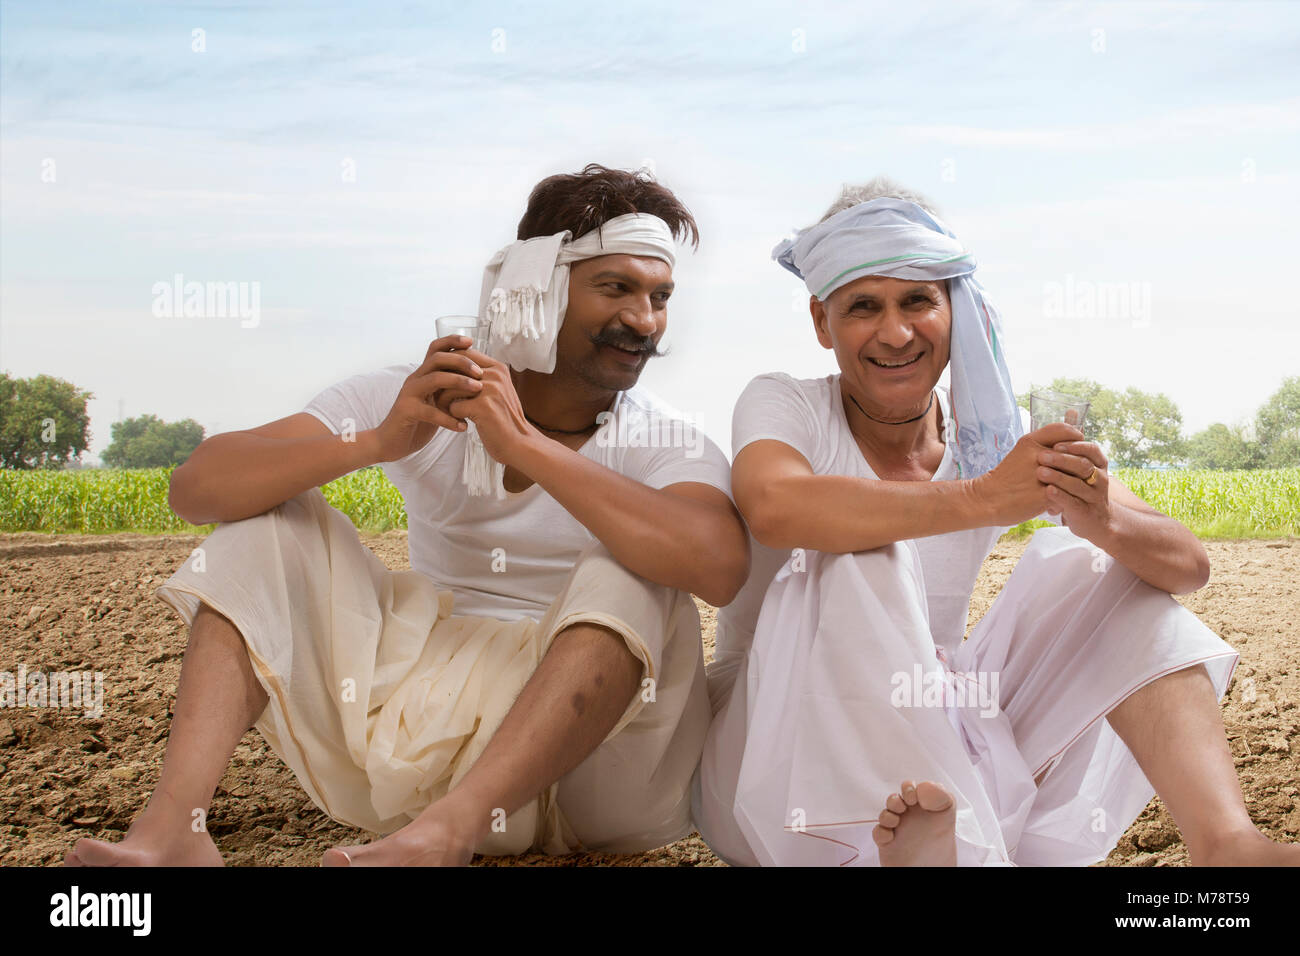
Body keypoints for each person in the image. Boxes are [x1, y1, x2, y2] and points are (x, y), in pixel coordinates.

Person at [66, 163, 749, 867]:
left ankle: (447, 837)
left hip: (594, 772)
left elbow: (718, 565)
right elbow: (198, 488)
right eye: (616, 289)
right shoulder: (412, 398)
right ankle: (174, 831)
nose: (644, 320)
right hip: (414, 747)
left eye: (660, 295)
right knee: (270, 524)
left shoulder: (664, 440)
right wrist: (375, 442)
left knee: (633, 559)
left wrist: (525, 447)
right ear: (535, 293)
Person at [691, 178, 1299, 867]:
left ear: (956, 309)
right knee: (862, 552)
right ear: (822, 322)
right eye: (864, 306)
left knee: (1088, 562)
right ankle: (908, 847)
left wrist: (1099, 517)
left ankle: (1226, 844)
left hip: (936, 734)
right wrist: (988, 496)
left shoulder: (987, 432)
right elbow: (776, 507)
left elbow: (1187, 565)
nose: (895, 332)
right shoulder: (786, 404)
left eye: (918, 299)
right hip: (771, 753)